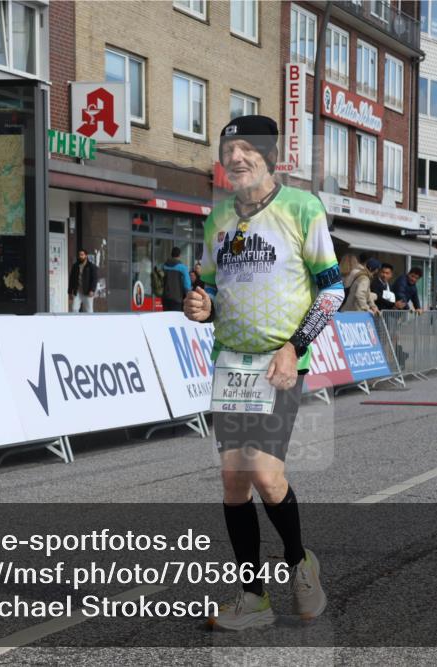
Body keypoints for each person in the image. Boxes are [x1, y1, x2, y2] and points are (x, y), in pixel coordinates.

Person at [184, 114, 340, 631]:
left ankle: (300, 564)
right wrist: (199, 305)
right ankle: (254, 599)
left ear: (270, 157)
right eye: (229, 150)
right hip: (231, 363)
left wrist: (295, 349)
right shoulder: (220, 217)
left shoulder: (302, 207)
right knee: (234, 482)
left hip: (280, 363)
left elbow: (332, 289)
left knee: (267, 477)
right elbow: (206, 287)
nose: (237, 158)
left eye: (248, 149)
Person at [161, 246, 191, 312]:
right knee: (175, 319)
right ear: (179, 255)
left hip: (165, 297)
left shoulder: (164, 266)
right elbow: (187, 284)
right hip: (177, 298)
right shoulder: (183, 268)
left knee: (166, 318)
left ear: (171, 254)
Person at [68, 249, 98, 313]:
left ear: (86, 256)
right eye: (79, 255)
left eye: (82, 255)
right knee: (74, 309)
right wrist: (70, 291)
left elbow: (94, 279)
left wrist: (92, 290)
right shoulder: (75, 266)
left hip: (87, 291)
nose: (80, 256)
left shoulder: (91, 266)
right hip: (77, 291)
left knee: (89, 310)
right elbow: (71, 279)